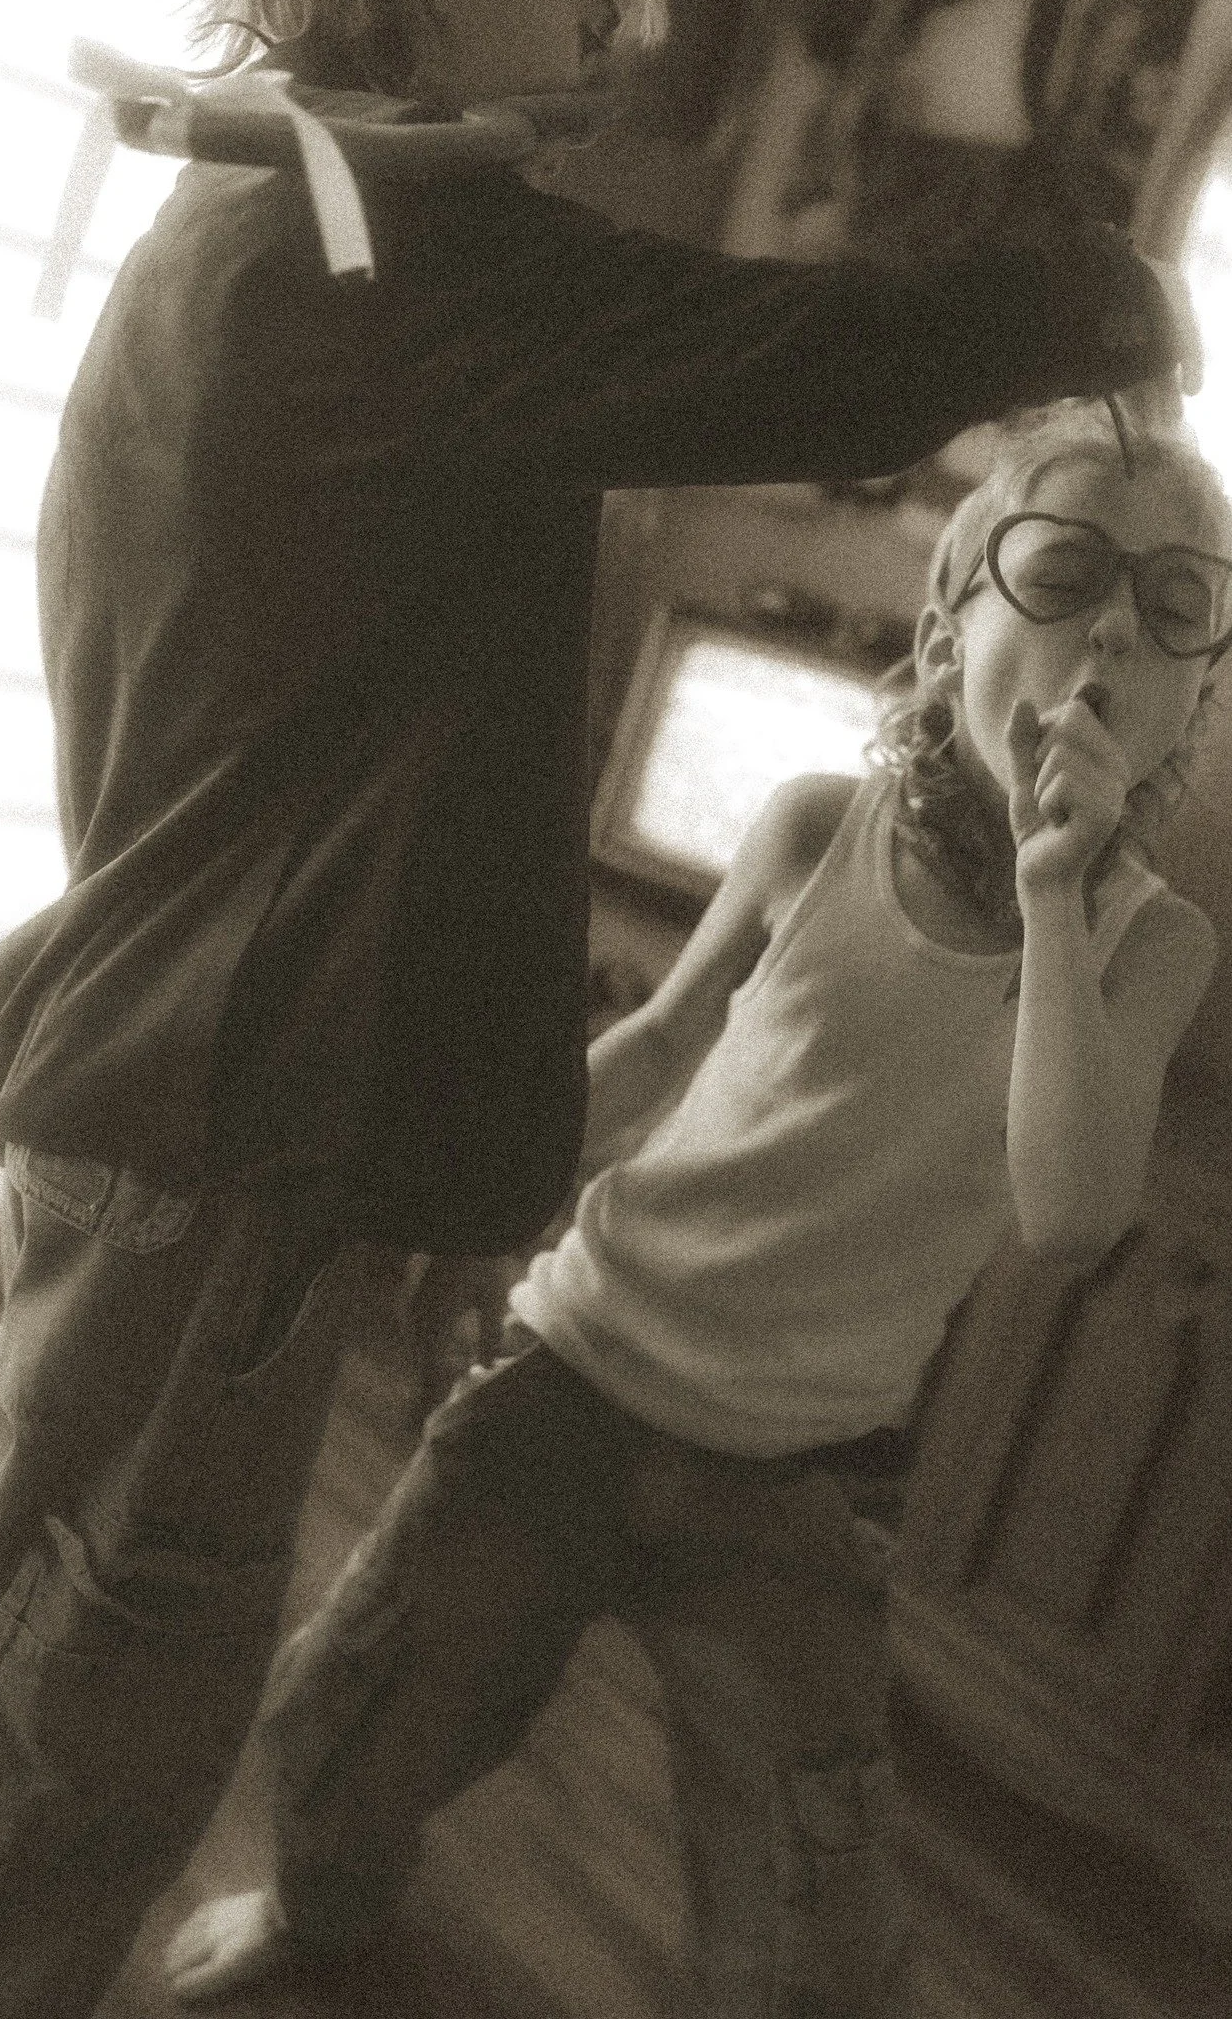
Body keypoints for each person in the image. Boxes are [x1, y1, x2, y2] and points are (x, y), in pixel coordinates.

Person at [0, 0, 1200, 2005]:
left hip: (141, 1070)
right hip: (217, 1122)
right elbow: (805, 362)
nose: (631, 12)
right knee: (94, 1705)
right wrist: (1102, 300)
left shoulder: (251, 222)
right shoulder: (370, 261)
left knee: (5, 1584)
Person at [165, 391, 1228, 2014]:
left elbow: (1073, 1210)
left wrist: (1052, 894)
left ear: (1198, 696)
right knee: (362, 1711)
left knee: (813, 1886)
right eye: (1067, 571)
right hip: (579, 1369)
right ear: (953, 614)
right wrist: (469, 1193)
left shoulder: (1150, 947)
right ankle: (319, 1914)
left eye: (1179, 605)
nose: (1115, 634)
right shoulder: (815, 827)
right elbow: (664, 1042)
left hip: (802, 1477)